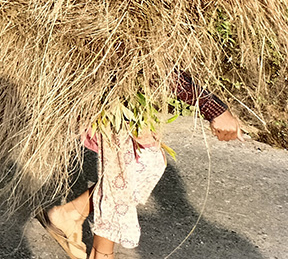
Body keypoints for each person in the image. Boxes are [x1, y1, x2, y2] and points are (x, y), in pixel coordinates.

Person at [39, 73, 245, 259]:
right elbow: (149, 64)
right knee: (123, 166)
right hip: (99, 93)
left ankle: (68, 214)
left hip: (121, 94)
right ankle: (101, 254)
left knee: (149, 161)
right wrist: (213, 109)